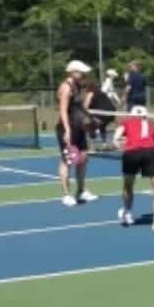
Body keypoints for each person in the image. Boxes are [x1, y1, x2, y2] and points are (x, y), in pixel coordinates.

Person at [115, 106, 154, 233]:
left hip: (130, 154)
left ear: (131, 115)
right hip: (150, 152)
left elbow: (116, 139)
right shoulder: (151, 124)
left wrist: (120, 146)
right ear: (146, 115)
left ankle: (127, 213)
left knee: (128, 186)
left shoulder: (126, 122)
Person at [57, 60, 99, 207]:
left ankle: (80, 191)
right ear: (72, 71)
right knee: (67, 161)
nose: (83, 74)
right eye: (81, 72)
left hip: (79, 128)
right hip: (67, 128)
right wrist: (67, 130)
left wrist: (90, 120)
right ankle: (66, 194)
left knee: (83, 158)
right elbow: (63, 110)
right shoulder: (66, 87)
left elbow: (80, 108)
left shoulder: (78, 86)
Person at [84, 78, 118, 150]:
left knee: (90, 126)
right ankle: (104, 144)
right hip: (111, 113)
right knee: (102, 126)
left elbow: (86, 106)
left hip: (103, 114)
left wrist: (86, 114)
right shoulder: (101, 93)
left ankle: (92, 146)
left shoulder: (91, 93)